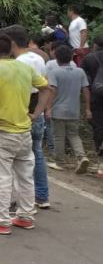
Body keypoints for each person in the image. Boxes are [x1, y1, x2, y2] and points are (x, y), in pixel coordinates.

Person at [0, 33, 50, 235]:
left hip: (3, 132)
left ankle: (1, 221)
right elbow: (46, 89)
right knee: (25, 177)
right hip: (24, 131)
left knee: (1, 177)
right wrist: (36, 113)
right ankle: (25, 217)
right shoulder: (25, 68)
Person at [0, 24, 51, 209]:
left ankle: (21, 201)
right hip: (37, 109)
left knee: (18, 160)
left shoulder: (18, 63)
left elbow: (15, 91)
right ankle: (42, 196)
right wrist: (39, 112)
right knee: (37, 155)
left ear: (12, 42)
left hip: (23, 111)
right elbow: (45, 86)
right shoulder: (38, 58)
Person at [47, 44, 91, 174]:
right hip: (74, 109)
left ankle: (59, 161)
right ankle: (81, 157)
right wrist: (87, 108)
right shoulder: (80, 71)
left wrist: (48, 108)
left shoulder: (54, 72)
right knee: (74, 135)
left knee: (58, 137)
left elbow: (52, 90)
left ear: (57, 58)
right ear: (71, 57)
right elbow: (86, 89)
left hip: (58, 110)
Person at [45, 41, 76, 166]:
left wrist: (47, 106)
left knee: (52, 128)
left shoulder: (50, 64)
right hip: (71, 102)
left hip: (54, 100)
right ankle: (70, 152)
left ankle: (55, 154)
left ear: (54, 51)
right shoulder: (74, 64)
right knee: (71, 131)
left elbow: (46, 82)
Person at [81, 35, 103, 178]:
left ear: (94, 45)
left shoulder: (89, 59)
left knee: (99, 126)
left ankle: (100, 159)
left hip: (96, 97)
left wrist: (86, 105)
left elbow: (84, 82)